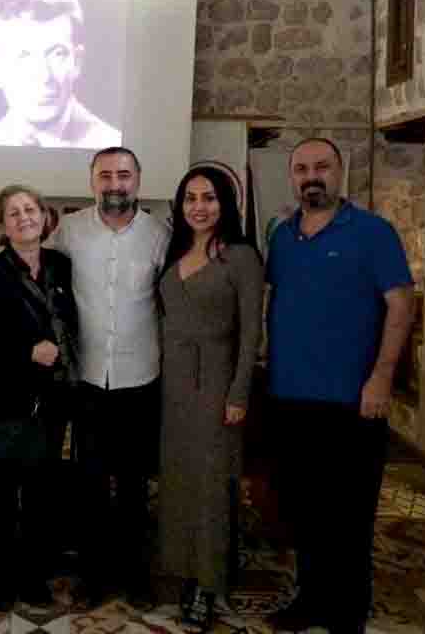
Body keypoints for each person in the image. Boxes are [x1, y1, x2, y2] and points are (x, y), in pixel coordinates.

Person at [265, 138, 413, 634]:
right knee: (304, 509)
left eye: (322, 167)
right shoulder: (283, 237)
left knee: (349, 514)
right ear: (292, 177)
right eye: (302, 168)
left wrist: (382, 377)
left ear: (339, 171)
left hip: (354, 400)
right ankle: (310, 600)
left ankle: (347, 613)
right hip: (290, 396)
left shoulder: (373, 232)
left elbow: (401, 304)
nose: (312, 176)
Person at [47, 146, 169, 609]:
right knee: (91, 482)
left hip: (142, 377)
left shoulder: (160, 234)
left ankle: (136, 576)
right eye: (105, 175)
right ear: (92, 181)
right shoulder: (69, 230)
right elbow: (43, 282)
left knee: (135, 484)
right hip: (88, 378)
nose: (114, 184)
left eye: (123, 175)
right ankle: (92, 577)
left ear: (138, 180)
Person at [0, 184, 79, 612]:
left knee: (42, 493)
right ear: (2, 226)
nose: (24, 217)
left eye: (30, 209)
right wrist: (26, 351)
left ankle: (35, 575)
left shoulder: (62, 267)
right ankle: (4, 576)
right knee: (2, 495)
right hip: (4, 402)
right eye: (13, 213)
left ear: (45, 217)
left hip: (53, 402)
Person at [157, 166, 263, 618]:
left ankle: (209, 581)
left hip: (217, 383)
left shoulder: (241, 257)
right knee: (178, 480)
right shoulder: (175, 250)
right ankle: (180, 570)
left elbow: (251, 332)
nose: (199, 207)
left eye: (209, 197)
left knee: (213, 485)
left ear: (226, 204)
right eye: (191, 198)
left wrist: (239, 393)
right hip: (172, 384)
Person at [0, 0, 121, 149]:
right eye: (23, 56)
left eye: (57, 54)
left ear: (77, 62)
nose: (44, 76)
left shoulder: (112, 146)